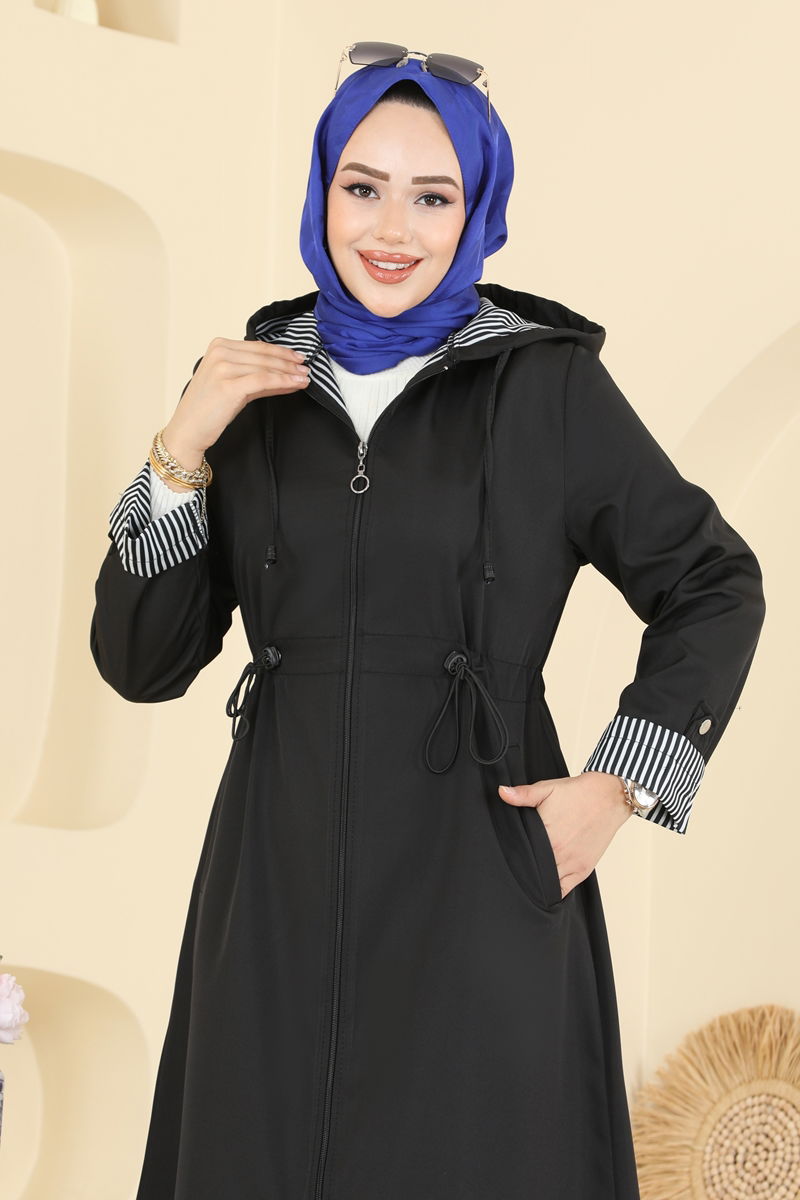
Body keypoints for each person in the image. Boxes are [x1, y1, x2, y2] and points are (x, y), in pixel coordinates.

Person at [90, 43, 766, 1200]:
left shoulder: (543, 387)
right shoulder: (252, 387)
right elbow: (141, 662)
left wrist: (617, 787)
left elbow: (712, 578)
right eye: (362, 187)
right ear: (321, 192)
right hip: (275, 880)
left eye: (432, 195)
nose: (391, 228)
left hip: (480, 874)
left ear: (477, 207)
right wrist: (179, 449)